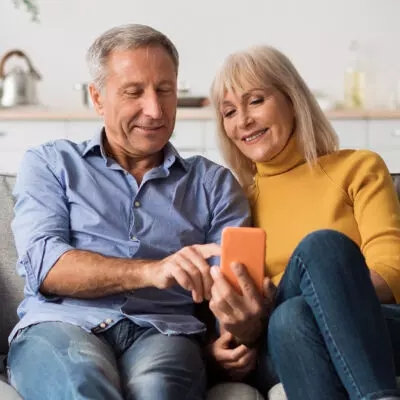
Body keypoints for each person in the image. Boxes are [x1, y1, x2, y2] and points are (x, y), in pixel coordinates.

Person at [6, 24, 252, 400]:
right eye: (134, 92)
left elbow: (232, 297)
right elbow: (46, 265)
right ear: (98, 98)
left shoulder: (213, 184)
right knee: (81, 380)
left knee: (159, 389)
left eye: (165, 91)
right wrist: (154, 271)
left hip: (164, 333)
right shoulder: (52, 163)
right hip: (62, 324)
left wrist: (234, 331)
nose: (154, 110)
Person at [207, 44, 400, 400]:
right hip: (279, 349)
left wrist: (317, 289)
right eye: (229, 112)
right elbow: (233, 306)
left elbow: (391, 271)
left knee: (317, 256)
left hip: (378, 325)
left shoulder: (358, 168)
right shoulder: (236, 202)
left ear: (292, 99)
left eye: (255, 101)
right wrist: (224, 340)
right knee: (290, 318)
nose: (243, 120)